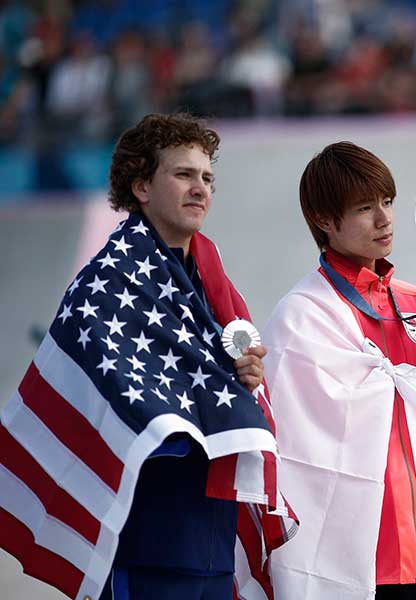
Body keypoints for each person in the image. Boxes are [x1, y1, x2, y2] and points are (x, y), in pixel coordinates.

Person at [0, 112, 294, 600]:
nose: (200, 189)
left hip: (212, 545)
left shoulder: (211, 282)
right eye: (183, 174)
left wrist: (245, 378)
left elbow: (212, 386)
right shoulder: (107, 282)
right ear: (141, 186)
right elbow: (120, 408)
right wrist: (214, 391)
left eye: (207, 179)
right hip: (147, 547)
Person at [263, 141, 416, 600]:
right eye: (365, 208)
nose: (385, 219)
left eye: (387, 202)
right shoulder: (301, 315)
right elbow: (295, 449)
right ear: (324, 221)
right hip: (349, 558)